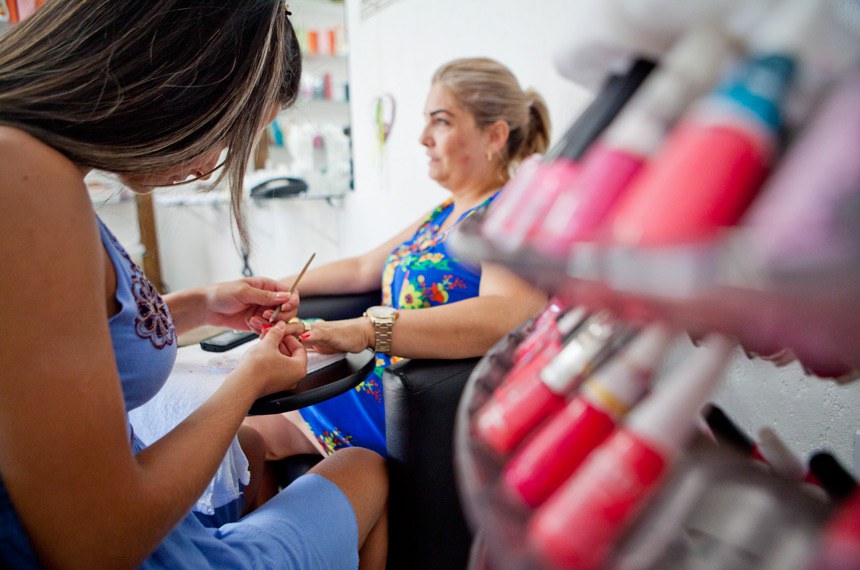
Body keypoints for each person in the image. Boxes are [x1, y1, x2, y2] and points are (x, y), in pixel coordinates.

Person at [0, 2, 387, 568]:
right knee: (366, 468)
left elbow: (55, 331)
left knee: (254, 450)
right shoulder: (27, 182)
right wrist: (249, 380)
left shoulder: (32, 168)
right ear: (180, 83)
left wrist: (201, 305)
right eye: (228, 136)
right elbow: (95, 544)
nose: (211, 167)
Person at [243, 57, 551, 459]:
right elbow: (362, 268)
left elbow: (508, 313)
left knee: (246, 432)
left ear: (494, 136)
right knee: (247, 402)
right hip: (381, 373)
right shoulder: (446, 212)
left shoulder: (510, 211)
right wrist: (271, 288)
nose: (423, 137)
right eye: (426, 120)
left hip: (416, 399)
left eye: (441, 121)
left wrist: (368, 330)